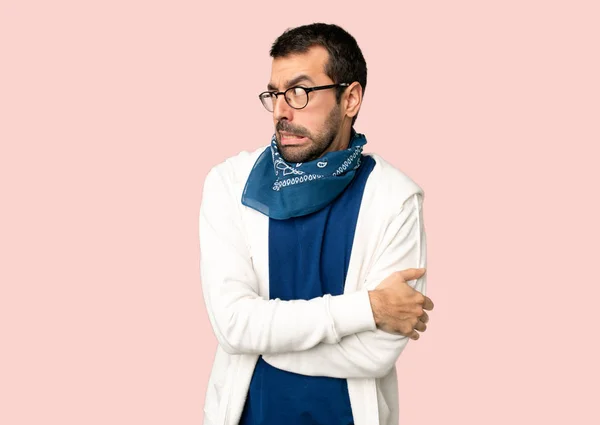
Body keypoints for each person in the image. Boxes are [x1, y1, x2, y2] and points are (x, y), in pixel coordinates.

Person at [199, 23, 434, 425]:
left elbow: (375, 353)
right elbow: (234, 325)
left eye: (300, 92)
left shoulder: (395, 198)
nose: (281, 111)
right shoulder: (229, 184)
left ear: (351, 99)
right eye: (274, 94)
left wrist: (260, 340)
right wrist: (368, 308)